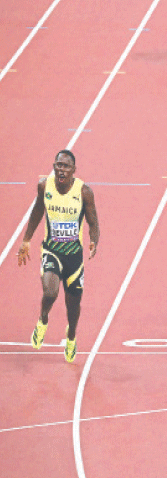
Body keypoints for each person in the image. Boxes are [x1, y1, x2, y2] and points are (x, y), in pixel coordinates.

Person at [17, 150, 100, 363]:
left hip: (74, 259)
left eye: (65, 166)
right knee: (51, 292)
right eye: (58, 165)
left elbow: (93, 222)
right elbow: (37, 211)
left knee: (73, 308)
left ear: (73, 170)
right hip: (51, 252)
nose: (61, 170)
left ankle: (71, 337)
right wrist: (26, 240)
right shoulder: (45, 186)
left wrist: (93, 240)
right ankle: (43, 320)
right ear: (54, 165)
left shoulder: (84, 192)